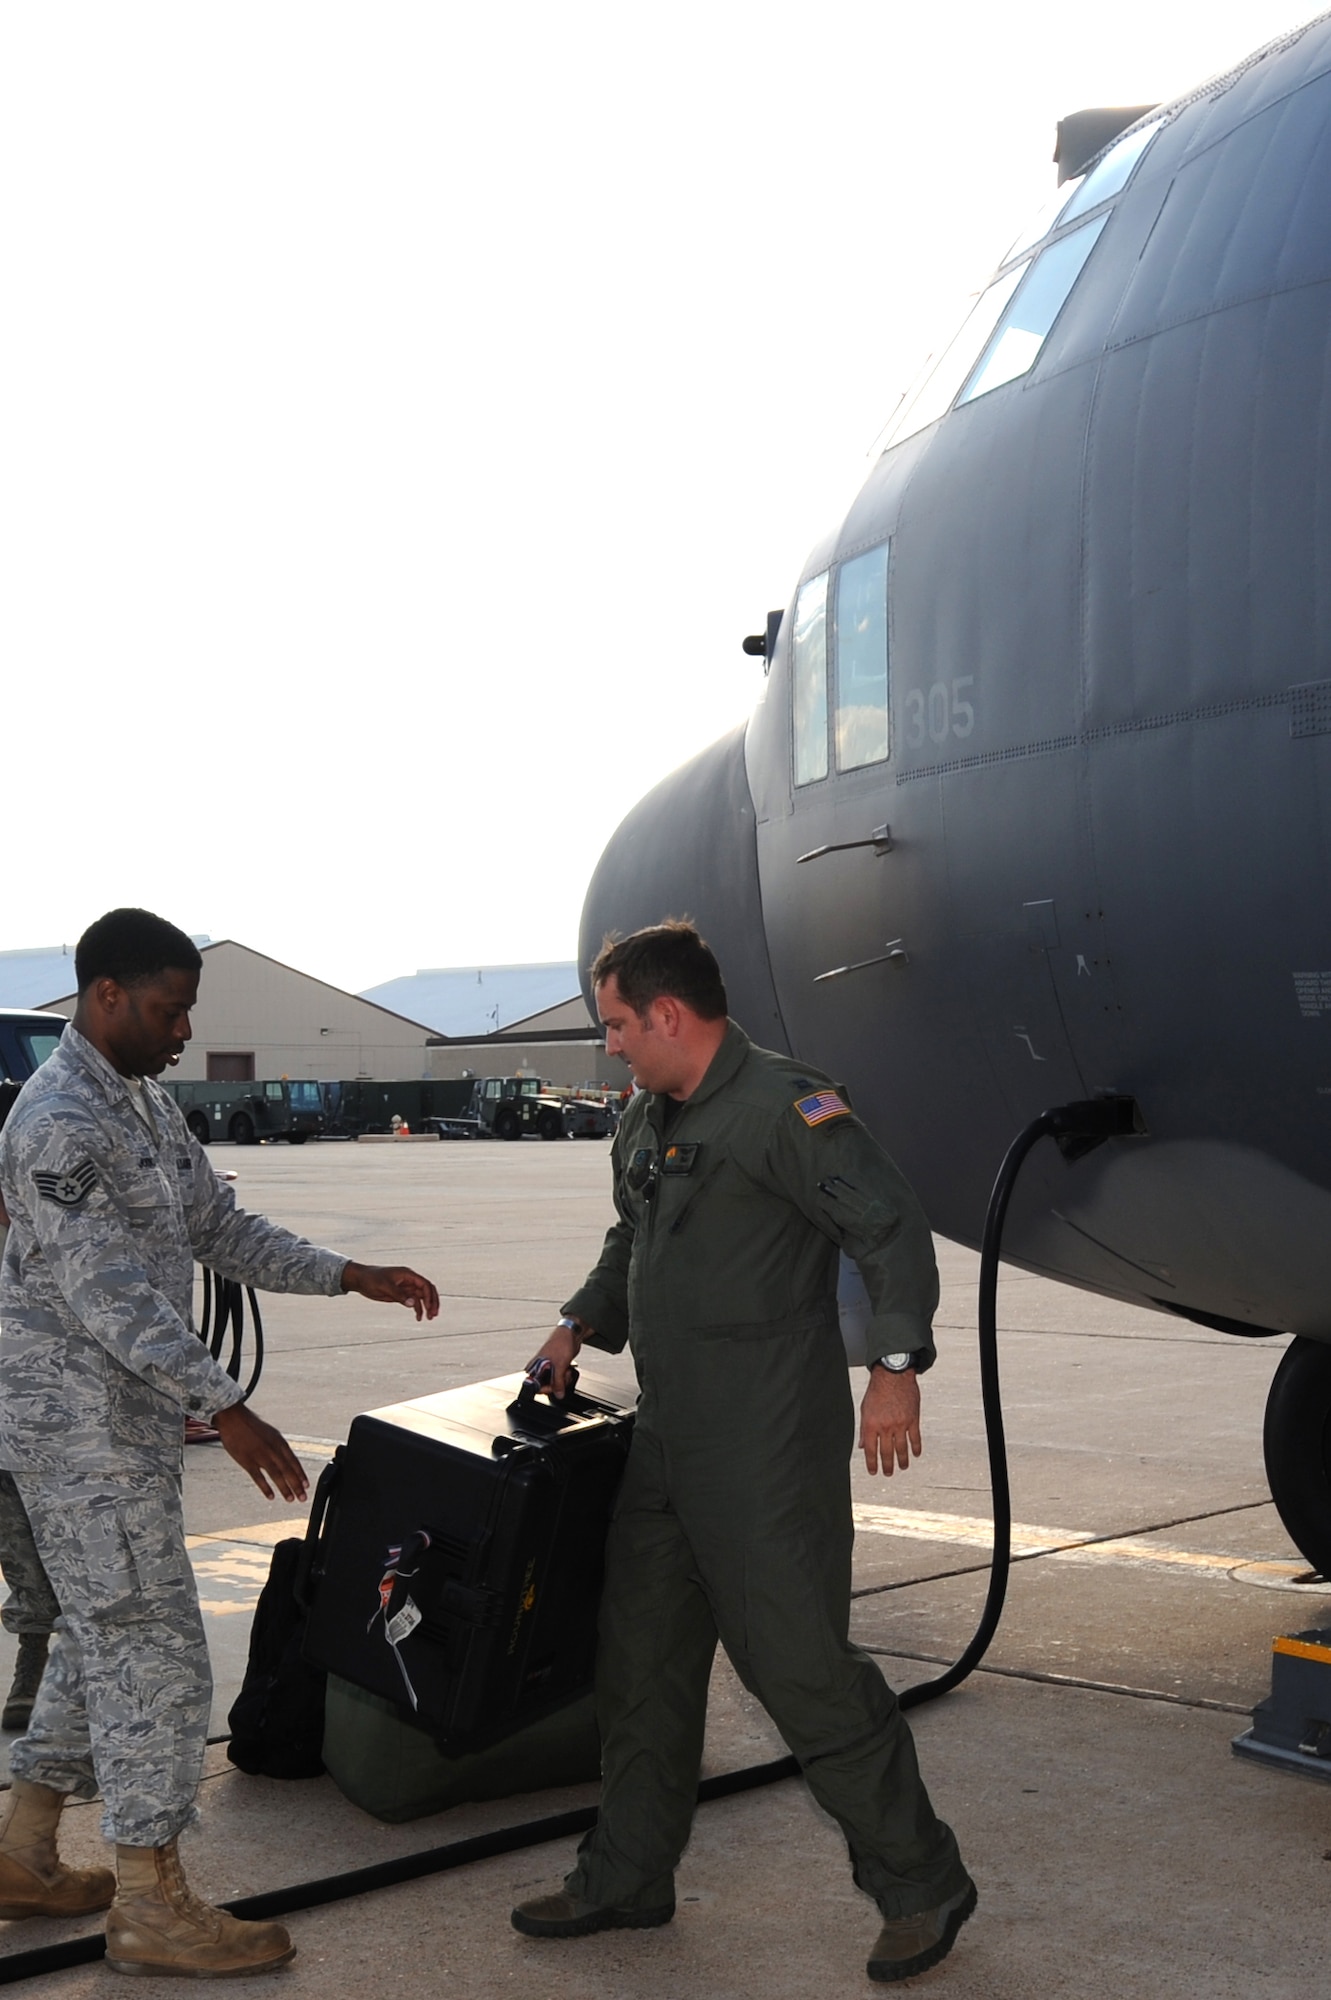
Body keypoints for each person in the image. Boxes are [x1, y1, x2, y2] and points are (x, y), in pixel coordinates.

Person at [511, 922, 975, 1985]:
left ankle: (920, 1880)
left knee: (800, 1671)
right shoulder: (644, 1117)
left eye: (619, 1023)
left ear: (668, 1014)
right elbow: (632, 1235)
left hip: (764, 1443)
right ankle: (626, 1874)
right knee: (641, 1664)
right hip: (667, 1440)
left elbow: (889, 1224)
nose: (612, 1045)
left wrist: (894, 1366)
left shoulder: (783, 1105)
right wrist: (575, 1323)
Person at [0, 908, 440, 1977]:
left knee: (104, 1635)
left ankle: (20, 1849)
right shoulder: (60, 1116)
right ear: (105, 995)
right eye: (167, 1007)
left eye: (188, 1008)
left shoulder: (141, 1105)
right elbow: (106, 1291)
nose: (183, 1029)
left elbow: (219, 1228)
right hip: (81, 1432)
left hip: (121, 1427)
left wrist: (348, 1271)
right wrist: (225, 1401)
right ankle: (150, 1898)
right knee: (154, 1650)